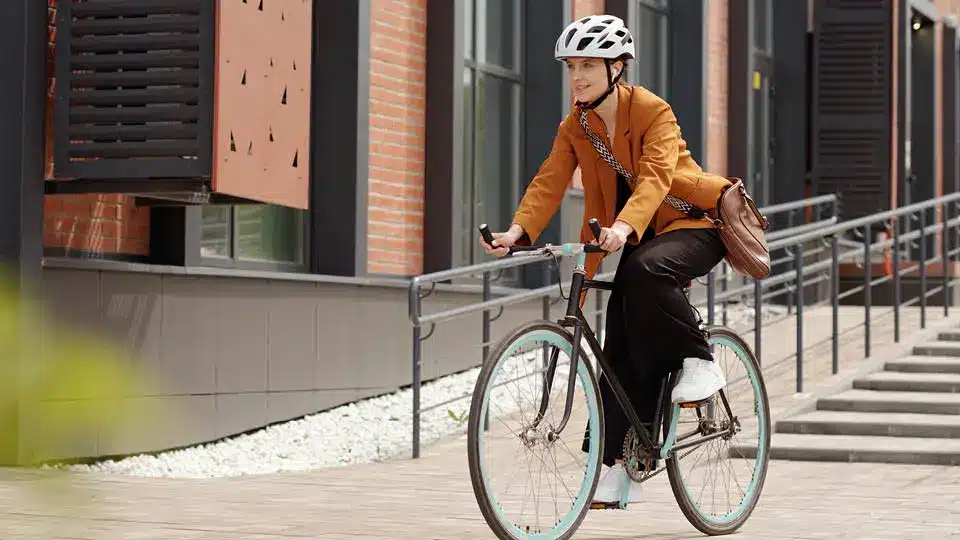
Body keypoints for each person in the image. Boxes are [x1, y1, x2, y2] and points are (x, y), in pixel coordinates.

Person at [478, 15, 731, 506]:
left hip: (693, 224)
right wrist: (518, 231)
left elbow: (657, 177)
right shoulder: (577, 124)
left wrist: (622, 227)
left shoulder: (654, 111)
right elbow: (550, 179)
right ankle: (615, 465)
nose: (577, 76)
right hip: (633, 234)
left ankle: (701, 358)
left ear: (617, 67)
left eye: (589, 65)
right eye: (572, 66)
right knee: (618, 349)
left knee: (643, 269)